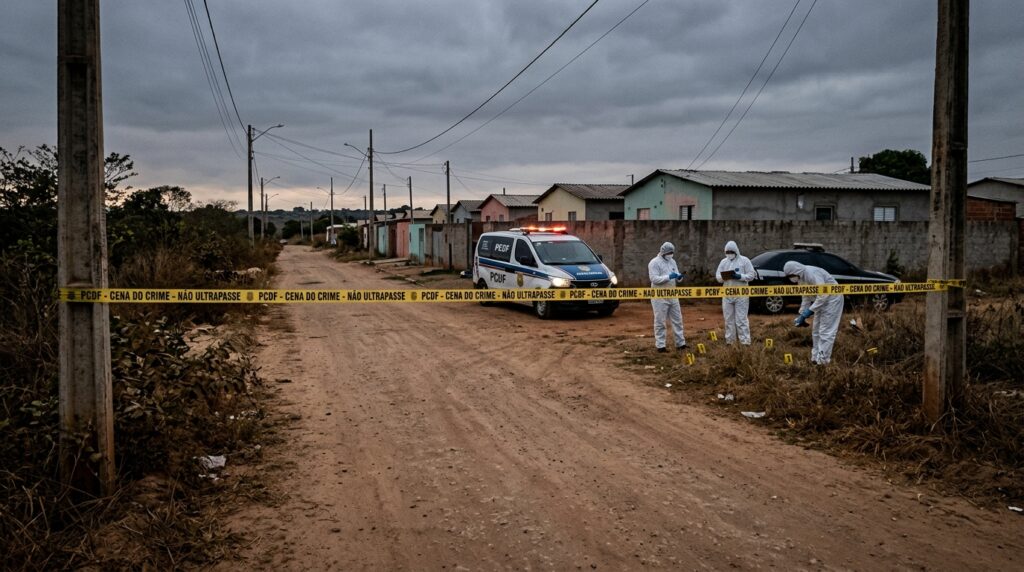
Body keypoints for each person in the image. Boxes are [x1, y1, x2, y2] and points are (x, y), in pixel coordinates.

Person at [783, 260, 844, 364]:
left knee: (826, 331)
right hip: (820, 301)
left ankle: (823, 362)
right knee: (816, 331)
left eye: (791, 275)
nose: (791, 278)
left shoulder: (812, 274)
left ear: (796, 271)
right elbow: (806, 297)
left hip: (832, 300)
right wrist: (802, 314)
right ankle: (815, 359)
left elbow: (824, 294)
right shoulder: (801, 278)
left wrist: (809, 312)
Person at [715, 240, 756, 345]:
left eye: (731, 251)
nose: (729, 253)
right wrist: (725, 277)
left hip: (741, 295)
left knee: (741, 320)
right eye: (727, 252)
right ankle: (730, 342)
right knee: (728, 320)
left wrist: (740, 276)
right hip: (727, 295)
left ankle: (745, 342)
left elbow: (752, 275)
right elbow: (718, 277)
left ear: (736, 251)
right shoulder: (723, 262)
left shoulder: (744, 261)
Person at [648, 242, 686, 352]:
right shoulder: (654, 263)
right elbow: (654, 279)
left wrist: (679, 277)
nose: (671, 254)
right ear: (663, 252)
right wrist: (668, 277)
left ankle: (680, 343)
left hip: (672, 294)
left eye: (672, 253)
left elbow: (676, 274)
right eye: (669, 252)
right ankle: (660, 346)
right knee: (660, 321)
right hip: (659, 296)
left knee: (678, 319)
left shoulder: (672, 261)